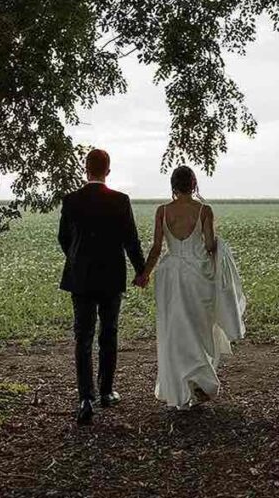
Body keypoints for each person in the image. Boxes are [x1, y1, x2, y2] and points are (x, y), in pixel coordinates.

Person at [137, 166, 247, 409]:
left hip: (171, 274)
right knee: (199, 326)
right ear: (194, 184)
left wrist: (145, 274)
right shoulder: (204, 210)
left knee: (175, 329)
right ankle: (200, 380)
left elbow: (157, 248)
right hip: (198, 274)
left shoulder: (162, 211)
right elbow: (209, 245)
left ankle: (181, 386)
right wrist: (220, 246)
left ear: (173, 186)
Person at [58, 149, 146, 425]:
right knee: (109, 334)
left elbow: (64, 238)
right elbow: (130, 240)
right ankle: (106, 392)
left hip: (81, 278)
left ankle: (85, 398)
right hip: (111, 277)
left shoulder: (71, 200)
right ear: (108, 171)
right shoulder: (120, 201)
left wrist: (76, 260)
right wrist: (141, 271)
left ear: (86, 169)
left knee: (82, 337)